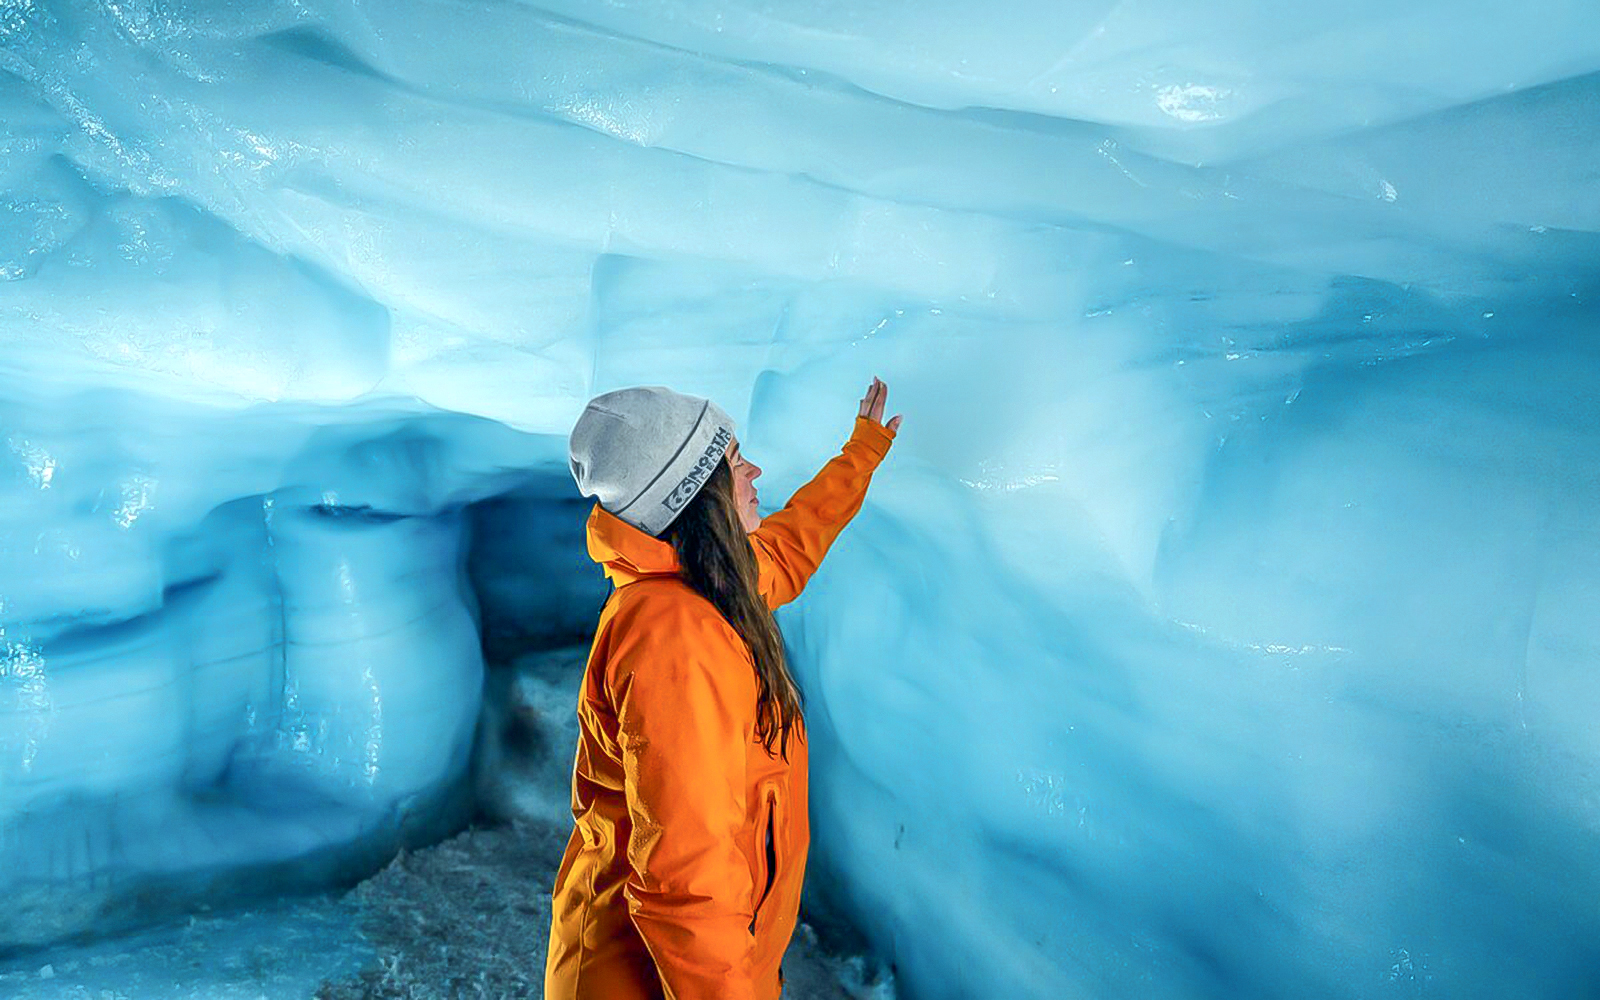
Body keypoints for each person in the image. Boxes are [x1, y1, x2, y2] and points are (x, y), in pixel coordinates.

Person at [546, 378, 902, 1000]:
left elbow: (785, 553)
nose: (755, 469)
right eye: (736, 462)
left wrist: (860, 455)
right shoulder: (676, 637)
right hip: (645, 982)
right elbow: (686, 883)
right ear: (696, 497)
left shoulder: (703, 585)